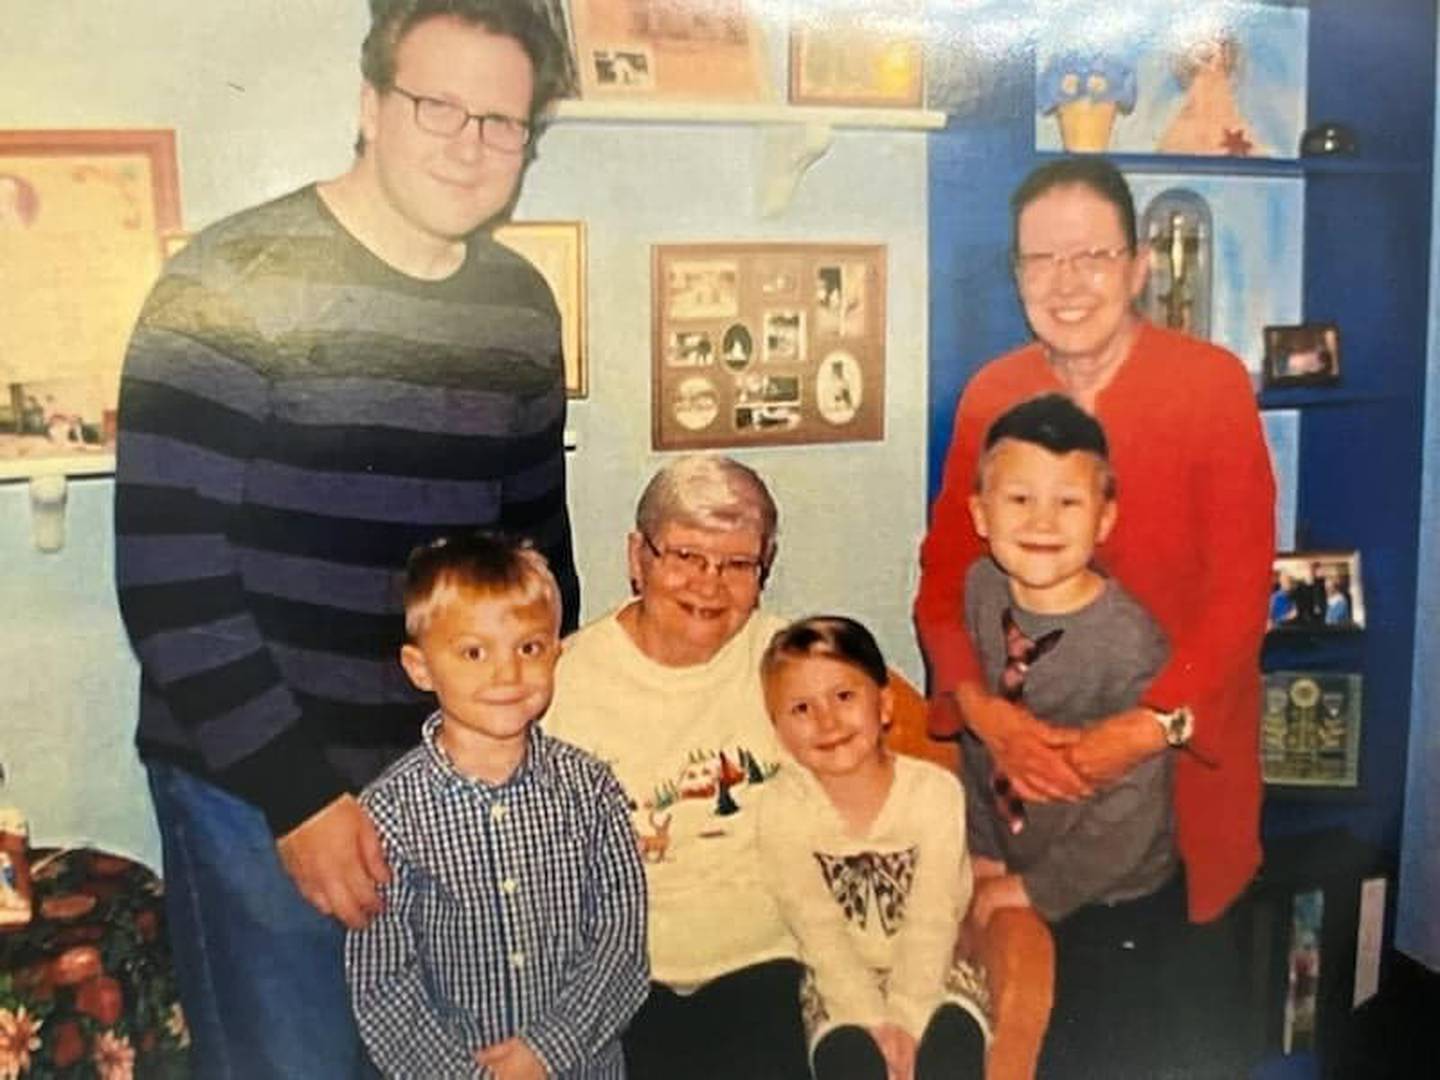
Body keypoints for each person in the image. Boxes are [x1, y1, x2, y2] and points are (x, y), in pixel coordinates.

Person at [112, 2, 578, 1074]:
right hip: (256, 790)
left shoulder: (518, 306)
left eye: (502, 122)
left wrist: (509, 758)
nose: (469, 146)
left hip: (444, 783)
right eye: (437, 105)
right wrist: (299, 799)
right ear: (370, 106)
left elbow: (536, 557)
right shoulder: (230, 283)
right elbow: (170, 582)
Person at [915, 157, 1274, 1075]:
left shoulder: (1209, 385)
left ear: (1139, 266)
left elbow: (1241, 595)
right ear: (1015, 275)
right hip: (1018, 785)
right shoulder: (994, 391)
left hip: (1174, 774)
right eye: (1040, 260)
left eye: (1091, 255)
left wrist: (1143, 729)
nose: (1066, 283)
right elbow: (944, 577)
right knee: (1036, 1024)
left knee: (1167, 1031)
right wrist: (986, 715)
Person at [959, 395, 1211, 1075]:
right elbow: (977, 740)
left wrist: (1037, 891)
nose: (1042, 522)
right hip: (1018, 870)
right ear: (981, 513)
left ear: (1105, 518)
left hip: (1116, 902)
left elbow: (1133, 811)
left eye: (1068, 503)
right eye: (1019, 499)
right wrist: (983, 853)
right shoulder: (981, 591)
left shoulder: (1127, 643)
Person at [543, 455, 810, 1080]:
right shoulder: (561, 681)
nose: (709, 584)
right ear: (638, 558)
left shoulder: (796, 663)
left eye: (738, 564)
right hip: (624, 977)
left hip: (770, 963)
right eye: (685, 557)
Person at [346, 533, 647, 1079]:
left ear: (557, 651)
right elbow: (384, 979)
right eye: (473, 652)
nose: (507, 674)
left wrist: (548, 1051)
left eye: (529, 648)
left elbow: (620, 943)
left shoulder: (592, 790)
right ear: (419, 668)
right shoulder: (389, 815)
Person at [757, 615, 987, 1080]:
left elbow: (933, 915)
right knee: (848, 1059)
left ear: (883, 705)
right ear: (778, 730)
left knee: (951, 1047)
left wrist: (906, 1022)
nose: (827, 721)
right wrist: (873, 1022)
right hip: (838, 985)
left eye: (844, 696)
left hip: (936, 971)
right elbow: (816, 927)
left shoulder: (934, 793)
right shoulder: (782, 808)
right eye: (801, 708)